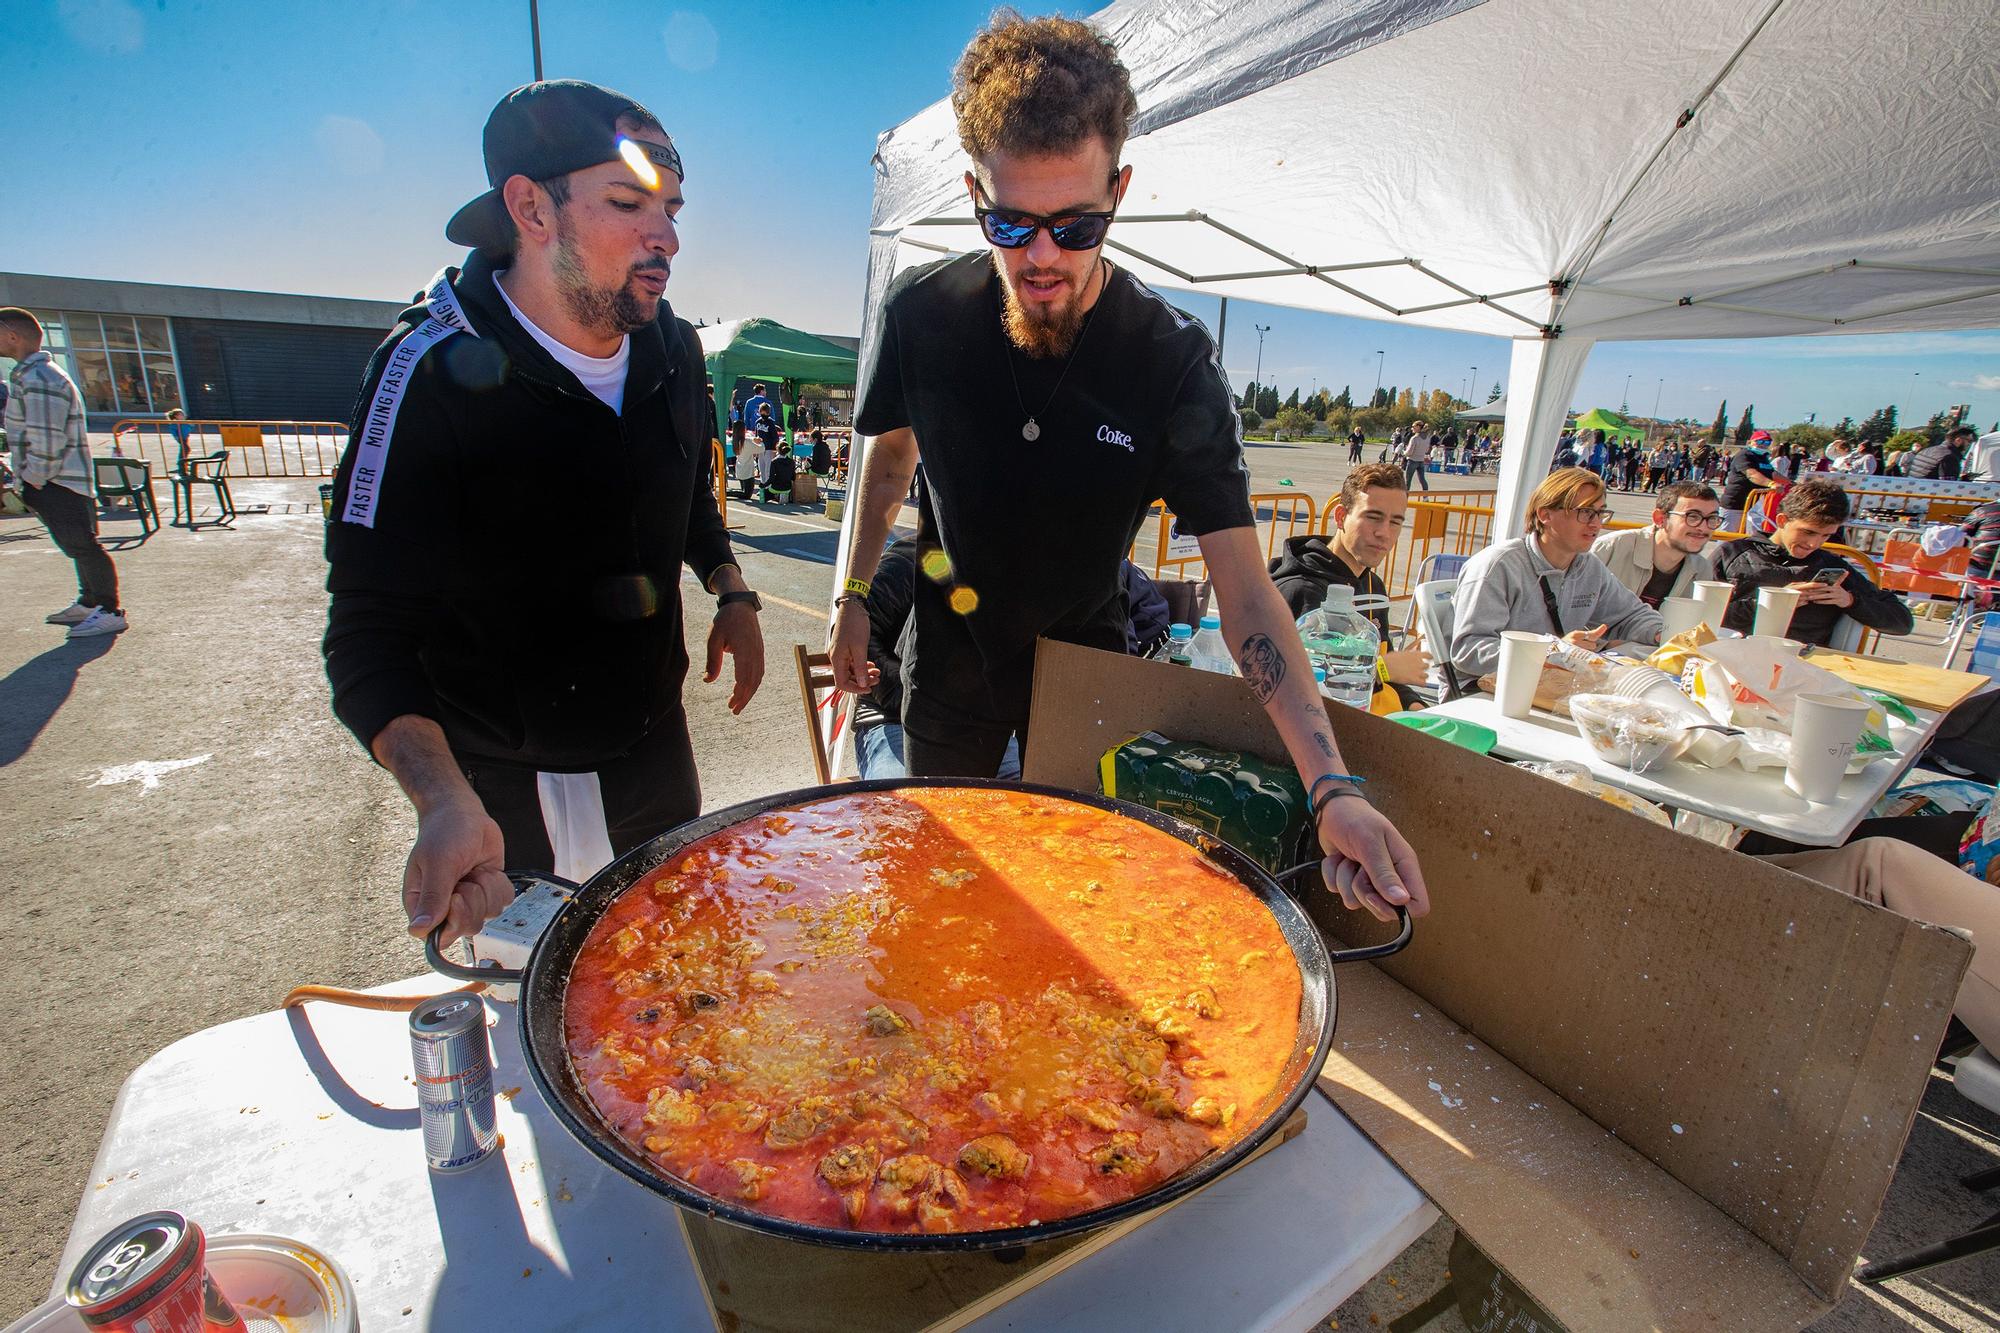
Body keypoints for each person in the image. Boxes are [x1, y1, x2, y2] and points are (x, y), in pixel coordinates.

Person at [829, 12, 1427, 923]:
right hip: (948, 664)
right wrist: (851, 599)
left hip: (1087, 670)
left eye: (1076, 225)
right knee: (937, 904)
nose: (1039, 258)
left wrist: (1332, 784)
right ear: (970, 190)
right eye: (1009, 221)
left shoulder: (1170, 361)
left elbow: (1246, 591)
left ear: (1120, 189)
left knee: (1074, 908)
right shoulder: (920, 315)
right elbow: (887, 463)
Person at [322, 79, 764, 945]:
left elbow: (683, 497)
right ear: (529, 206)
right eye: (629, 202)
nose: (667, 236)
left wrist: (732, 588)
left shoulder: (672, 346)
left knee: (681, 1003)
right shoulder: (426, 371)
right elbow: (365, 631)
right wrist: (442, 797)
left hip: (654, 758)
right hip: (505, 792)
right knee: (535, 1035)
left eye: (672, 207)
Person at [1450, 467, 1663, 678]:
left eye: (1600, 513)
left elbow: (1630, 615)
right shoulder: (1498, 566)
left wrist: (1661, 634)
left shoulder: (1588, 566)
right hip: (1488, 689)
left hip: (1553, 682)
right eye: (1585, 512)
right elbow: (1469, 650)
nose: (1596, 524)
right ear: (1545, 515)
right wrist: (1553, 652)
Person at [0, 308, 127, 639]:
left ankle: (109, 610)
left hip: (56, 479)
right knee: (74, 544)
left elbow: (47, 439)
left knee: (82, 545)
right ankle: (90, 601)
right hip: (56, 478)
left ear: (12, 336)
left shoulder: (40, 379)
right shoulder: (32, 376)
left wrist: (32, 478)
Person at [1267, 461, 1432, 695]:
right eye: (1373, 517)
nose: (1384, 533)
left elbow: (1390, 677)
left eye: (1395, 522)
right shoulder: (1299, 590)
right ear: (1341, 516)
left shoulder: (1373, 586)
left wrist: (1414, 707)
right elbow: (1288, 685)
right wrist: (1383, 670)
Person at [1711, 478, 1913, 646]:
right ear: (1782, 520)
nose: (1813, 544)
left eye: (1826, 535)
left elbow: (1902, 622)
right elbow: (1699, 614)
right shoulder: (1733, 553)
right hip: (1737, 653)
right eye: (1808, 532)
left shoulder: (1833, 567)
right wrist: (1776, 603)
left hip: (1806, 665)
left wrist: (1850, 601)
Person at [1589, 480, 1722, 608]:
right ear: (1659, 518)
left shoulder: (1702, 570)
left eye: (1712, 518)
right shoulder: (1611, 549)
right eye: (1693, 517)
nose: (1703, 528)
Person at [1715, 433, 1776, 531]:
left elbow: (1773, 474)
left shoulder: (1764, 457)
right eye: (1760, 441)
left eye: (1767, 442)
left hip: (1754, 505)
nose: (1763, 444)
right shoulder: (1744, 455)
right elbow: (1751, 474)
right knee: (1729, 538)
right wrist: (1771, 483)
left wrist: (1791, 484)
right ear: (1750, 442)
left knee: (1749, 538)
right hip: (1735, 504)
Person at [1908, 425, 1974, 481]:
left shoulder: (1926, 450)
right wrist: (1965, 480)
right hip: (1928, 493)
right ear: (1958, 440)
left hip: (1912, 491)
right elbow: (1947, 485)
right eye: (1969, 441)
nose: (1969, 444)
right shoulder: (1950, 457)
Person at [1401, 418, 1436, 493]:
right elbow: (1427, 450)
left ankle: (1405, 498)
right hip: (1421, 461)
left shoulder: (1414, 438)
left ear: (1418, 427)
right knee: (1422, 480)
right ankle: (1425, 497)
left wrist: (1403, 452)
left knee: (1408, 480)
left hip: (1412, 461)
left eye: (1413, 427)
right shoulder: (1427, 438)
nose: (1412, 428)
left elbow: (1409, 452)